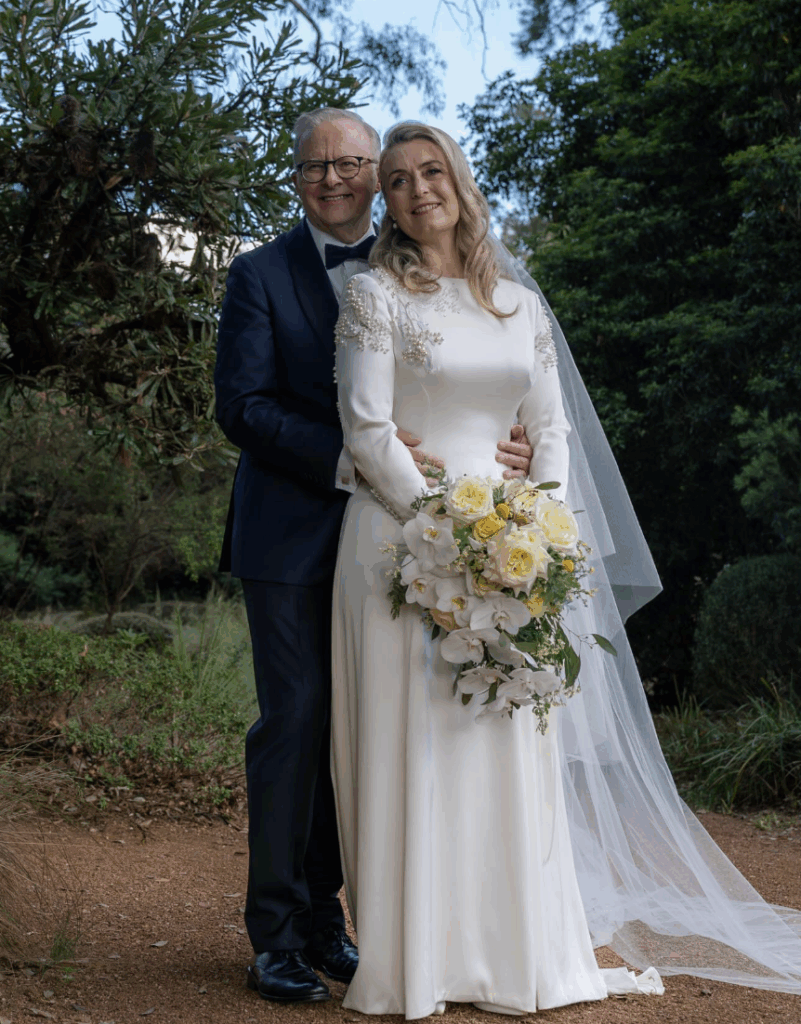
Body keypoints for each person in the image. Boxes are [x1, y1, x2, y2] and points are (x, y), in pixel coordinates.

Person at [330, 121, 801, 1018]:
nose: (417, 188)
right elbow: (366, 429)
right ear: (383, 203)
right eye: (396, 180)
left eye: (432, 171)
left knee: (502, 740)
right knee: (414, 746)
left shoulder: (518, 304)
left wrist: (533, 529)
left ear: (460, 182)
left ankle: (511, 951)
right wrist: (444, 533)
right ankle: (414, 960)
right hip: (399, 549)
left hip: (510, 550)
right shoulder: (372, 297)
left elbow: (550, 431)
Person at [214, 107, 535, 1006]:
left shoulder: (416, 272)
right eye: (317, 167)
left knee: (381, 729)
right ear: (296, 179)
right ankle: (278, 934)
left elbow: (473, 376)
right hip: (289, 537)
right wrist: (349, 454)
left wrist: (505, 447)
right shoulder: (257, 276)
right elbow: (239, 406)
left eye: (352, 163)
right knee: (299, 725)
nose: (335, 179)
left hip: (407, 541)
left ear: (376, 176)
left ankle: (342, 925)